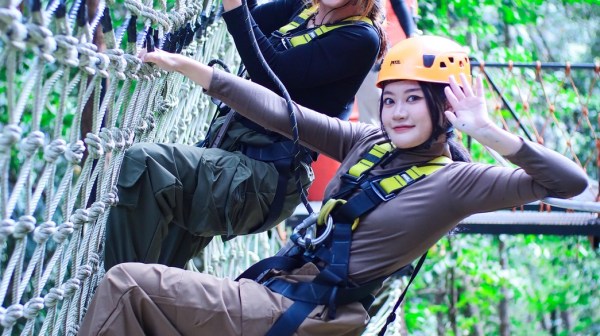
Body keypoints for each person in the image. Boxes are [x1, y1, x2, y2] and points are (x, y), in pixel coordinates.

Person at [79, 36, 587, 335]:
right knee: (145, 300)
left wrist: (489, 133)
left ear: (444, 109)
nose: (398, 112)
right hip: (273, 290)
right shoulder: (370, 144)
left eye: (414, 99)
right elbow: (286, 114)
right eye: (390, 100)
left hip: (305, 316)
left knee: (127, 284)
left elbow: (568, 183)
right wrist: (200, 73)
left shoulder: (460, 183)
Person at [103, 0, 386, 270]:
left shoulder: (360, 38)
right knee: (162, 264)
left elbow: (273, 75)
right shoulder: (303, 9)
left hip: (263, 178)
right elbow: (252, 24)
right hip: (228, 155)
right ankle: (133, 307)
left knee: (147, 164)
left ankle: (117, 294)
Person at [356, 0, 416, 125]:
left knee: (381, 97)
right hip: (358, 38)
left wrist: (411, 36)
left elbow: (398, 4)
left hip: (378, 43)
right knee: (370, 100)